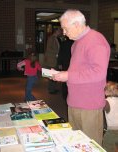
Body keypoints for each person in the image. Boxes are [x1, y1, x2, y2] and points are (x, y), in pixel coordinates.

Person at [52, 9, 110, 145]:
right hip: (74, 102)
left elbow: (98, 73)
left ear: (77, 25)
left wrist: (68, 76)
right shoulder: (77, 42)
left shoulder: (96, 40)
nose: (64, 33)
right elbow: (79, 70)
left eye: (65, 29)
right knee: (76, 143)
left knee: (91, 145)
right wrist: (62, 75)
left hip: (89, 106)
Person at [44, 28, 62, 94]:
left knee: (54, 74)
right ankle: (51, 90)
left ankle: (53, 88)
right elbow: (49, 48)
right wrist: (57, 52)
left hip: (54, 59)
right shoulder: (51, 38)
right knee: (51, 75)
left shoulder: (56, 38)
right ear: (56, 31)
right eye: (59, 31)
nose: (61, 32)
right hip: (51, 59)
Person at [57, 36, 73, 100]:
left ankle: (65, 94)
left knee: (64, 79)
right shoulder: (75, 43)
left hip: (65, 63)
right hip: (72, 63)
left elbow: (60, 54)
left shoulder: (63, 43)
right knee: (71, 78)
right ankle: (70, 93)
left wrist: (59, 63)